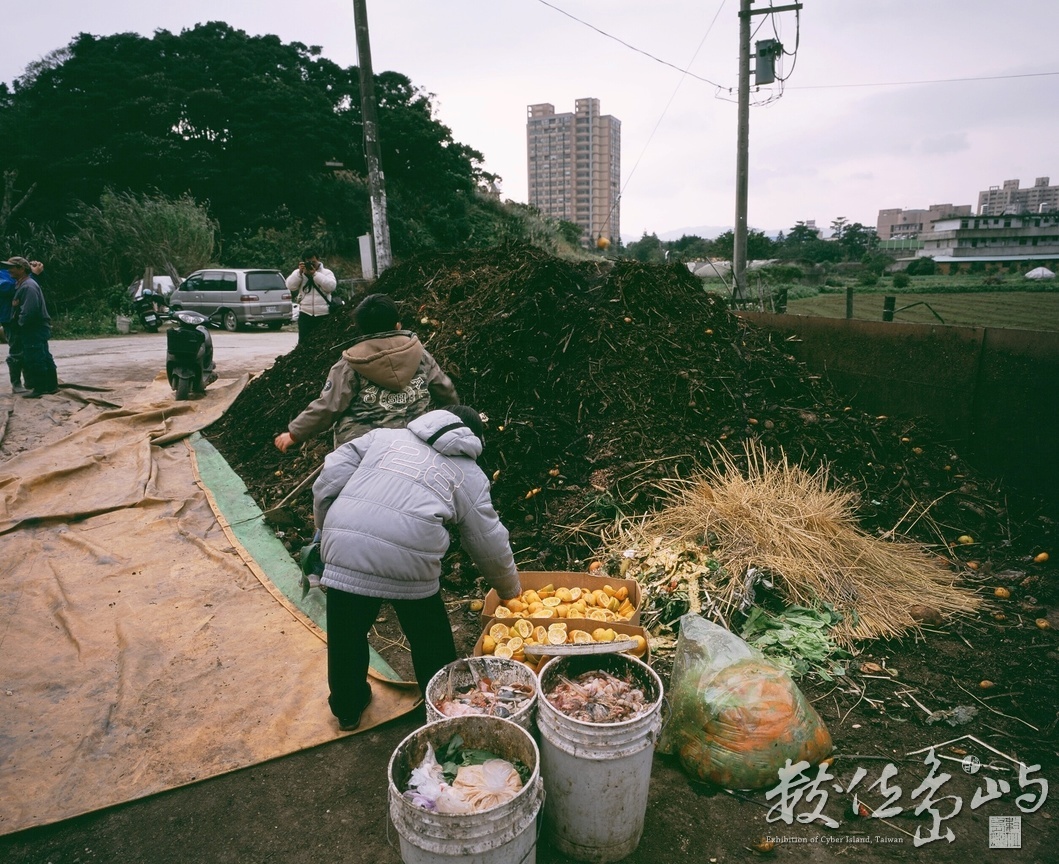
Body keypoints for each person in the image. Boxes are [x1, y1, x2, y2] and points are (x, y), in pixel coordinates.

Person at [312, 405, 521, 730]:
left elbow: (327, 480)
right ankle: (441, 707)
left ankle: (347, 708)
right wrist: (510, 591)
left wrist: (329, 533)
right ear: (472, 439)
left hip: (345, 547)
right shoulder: (469, 474)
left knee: (346, 633)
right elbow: (489, 542)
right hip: (410, 558)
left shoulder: (383, 437)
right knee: (429, 636)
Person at [274, 293, 458, 453]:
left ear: (361, 329)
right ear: (398, 325)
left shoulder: (351, 364)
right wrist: (455, 420)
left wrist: (295, 434)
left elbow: (328, 406)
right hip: (415, 442)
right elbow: (445, 390)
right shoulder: (420, 355)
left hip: (363, 449)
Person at [3, 256, 57, 398]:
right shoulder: (23, 283)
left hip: (33, 328)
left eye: (12, 267)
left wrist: (19, 324)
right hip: (35, 327)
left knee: (36, 358)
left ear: (21, 269)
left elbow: (29, 311)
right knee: (43, 355)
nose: (9, 270)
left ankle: (39, 388)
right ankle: (51, 386)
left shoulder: (28, 286)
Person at [285, 250, 337, 344]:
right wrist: (299, 274)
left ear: (318, 260)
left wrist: (315, 274)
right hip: (305, 314)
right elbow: (290, 286)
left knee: (323, 342)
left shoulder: (326, 273)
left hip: (323, 314)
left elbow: (331, 287)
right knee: (304, 343)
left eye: (313, 262)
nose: (311, 265)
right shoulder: (299, 273)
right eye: (308, 262)